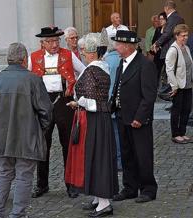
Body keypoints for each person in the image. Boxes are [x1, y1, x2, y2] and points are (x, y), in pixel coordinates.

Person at [0, 42, 53, 218]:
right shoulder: (33, 79)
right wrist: (39, 130)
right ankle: (17, 214)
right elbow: (46, 112)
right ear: (25, 60)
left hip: (2, 136)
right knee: (24, 176)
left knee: (4, 173)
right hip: (27, 136)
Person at [65, 32, 118, 217]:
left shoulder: (91, 71)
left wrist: (77, 102)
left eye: (84, 51)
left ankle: (104, 204)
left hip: (93, 120)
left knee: (96, 158)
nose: (83, 54)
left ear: (92, 52)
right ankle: (98, 199)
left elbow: (90, 100)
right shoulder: (103, 67)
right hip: (100, 120)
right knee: (97, 157)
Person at [29, 26, 85, 199]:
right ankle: (42, 184)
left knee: (67, 143)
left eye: (56, 40)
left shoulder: (68, 55)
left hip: (64, 101)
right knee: (43, 144)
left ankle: (71, 184)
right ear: (42, 43)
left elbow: (83, 71)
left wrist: (75, 90)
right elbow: (28, 77)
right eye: (50, 41)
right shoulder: (34, 57)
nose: (54, 44)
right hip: (43, 102)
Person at [111, 30, 158, 203]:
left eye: (117, 44)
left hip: (138, 119)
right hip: (123, 115)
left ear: (127, 46)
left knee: (143, 155)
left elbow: (149, 95)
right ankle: (130, 187)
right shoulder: (121, 63)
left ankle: (148, 188)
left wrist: (140, 117)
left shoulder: (144, 64)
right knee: (126, 155)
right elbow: (118, 87)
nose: (115, 47)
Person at [165, 24, 193, 144]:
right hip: (178, 85)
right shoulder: (173, 50)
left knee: (186, 109)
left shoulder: (186, 48)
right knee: (177, 110)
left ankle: (182, 132)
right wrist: (174, 85)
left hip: (187, 84)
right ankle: (175, 134)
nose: (185, 38)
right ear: (176, 36)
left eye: (187, 35)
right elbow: (169, 69)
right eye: (183, 36)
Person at [101, 28, 123, 170]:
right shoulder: (123, 59)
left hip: (109, 101)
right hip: (121, 101)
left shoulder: (106, 61)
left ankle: (116, 161)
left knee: (112, 133)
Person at [152, 12, 167, 85]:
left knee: (166, 73)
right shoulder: (158, 29)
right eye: (159, 19)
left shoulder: (168, 30)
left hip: (166, 54)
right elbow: (154, 40)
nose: (160, 21)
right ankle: (155, 88)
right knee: (155, 72)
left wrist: (159, 46)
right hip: (157, 54)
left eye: (162, 19)